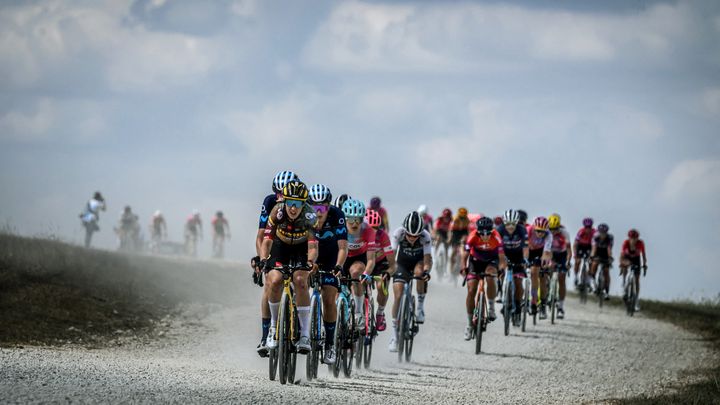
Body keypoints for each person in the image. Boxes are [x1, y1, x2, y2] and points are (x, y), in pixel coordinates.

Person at [260, 180, 318, 354]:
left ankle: (305, 334)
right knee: (275, 280)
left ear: (304, 204)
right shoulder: (277, 212)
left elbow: (313, 246)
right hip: (281, 247)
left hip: (301, 249)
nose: (293, 208)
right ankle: (273, 328)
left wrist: (310, 262)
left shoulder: (310, 215)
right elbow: (267, 240)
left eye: (298, 203)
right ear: (284, 201)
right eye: (290, 202)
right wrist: (263, 259)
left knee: (300, 280)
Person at [253, 170, 298, 357]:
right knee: (270, 285)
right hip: (275, 245)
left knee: (299, 279)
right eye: (278, 193)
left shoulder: (300, 202)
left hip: (297, 245)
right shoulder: (269, 202)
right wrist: (262, 260)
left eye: (284, 193)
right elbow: (261, 236)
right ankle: (266, 335)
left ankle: (298, 325)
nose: (281, 198)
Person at [308, 183, 348, 364]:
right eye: (315, 206)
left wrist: (339, 266)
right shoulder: (306, 216)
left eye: (323, 206)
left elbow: (343, 247)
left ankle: (330, 345)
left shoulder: (337, 216)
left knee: (329, 297)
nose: (319, 211)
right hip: (310, 255)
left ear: (329, 206)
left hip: (332, 258)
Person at [388, 211, 432, 352]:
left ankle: (419, 307)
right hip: (402, 264)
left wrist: (426, 271)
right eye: (410, 235)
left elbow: (427, 259)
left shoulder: (425, 236)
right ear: (404, 231)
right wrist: (389, 271)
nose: (413, 238)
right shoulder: (398, 233)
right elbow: (392, 256)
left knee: (420, 273)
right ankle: (394, 336)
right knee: (398, 295)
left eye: (416, 236)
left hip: (418, 263)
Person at [461, 216, 504, 339]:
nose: (485, 236)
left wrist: (501, 269)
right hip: (476, 261)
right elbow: (465, 255)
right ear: (477, 231)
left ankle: (491, 308)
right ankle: (469, 325)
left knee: (491, 277)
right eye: (482, 233)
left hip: (491, 261)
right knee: (471, 290)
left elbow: (501, 258)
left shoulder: (497, 237)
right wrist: (464, 267)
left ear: (492, 231)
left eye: (487, 233)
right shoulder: (472, 236)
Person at [342, 199, 377, 332]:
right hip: (342, 258)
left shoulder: (368, 231)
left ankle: (358, 313)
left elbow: (371, 260)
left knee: (356, 273)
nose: (355, 223)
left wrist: (366, 274)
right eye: (351, 219)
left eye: (358, 219)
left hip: (358, 259)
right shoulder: (339, 228)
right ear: (345, 219)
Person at [496, 210, 529, 325]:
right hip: (503, 255)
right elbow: (495, 248)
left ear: (517, 223)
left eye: (513, 224)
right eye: (507, 224)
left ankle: (518, 306)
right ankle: (502, 295)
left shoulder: (522, 230)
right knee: (500, 274)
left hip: (518, 257)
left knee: (518, 282)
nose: (510, 227)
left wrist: (525, 260)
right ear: (504, 223)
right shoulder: (499, 230)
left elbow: (525, 248)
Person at [366, 209, 395, 332]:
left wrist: (388, 273)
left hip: (380, 264)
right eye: (370, 228)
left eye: (376, 228)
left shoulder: (383, 236)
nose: (373, 232)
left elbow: (393, 264)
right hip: (366, 262)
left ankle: (380, 313)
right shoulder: (358, 234)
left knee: (381, 286)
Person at [527, 217, 553, 317]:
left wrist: (544, 263)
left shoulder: (549, 235)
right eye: (538, 231)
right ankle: (531, 299)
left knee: (542, 277)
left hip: (541, 252)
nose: (540, 234)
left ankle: (542, 304)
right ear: (534, 228)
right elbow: (523, 247)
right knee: (531, 273)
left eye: (543, 231)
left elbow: (546, 252)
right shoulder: (528, 230)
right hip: (529, 251)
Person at [548, 214, 572, 319]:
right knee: (547, 270)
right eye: (551, 229)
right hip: (550, 253)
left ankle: (561, 307)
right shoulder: (546, 232)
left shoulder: (564, 233)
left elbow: (569, 250)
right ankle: (547, 290)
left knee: (562, 278)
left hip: (562, 255)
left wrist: (568, 261)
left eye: (555, 229)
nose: (553, 231)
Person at [620, 229, 647, 311]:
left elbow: (643, 255)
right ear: (629, 238)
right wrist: (622, 264)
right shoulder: (625, 243)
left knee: (637, 279)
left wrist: (644, 265)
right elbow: (621, 256)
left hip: (636, 259)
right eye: (631, 238)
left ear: (637, 238)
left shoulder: (640, 243)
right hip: (627, 258)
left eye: (635, 238)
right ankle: (624, 283)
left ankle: (636, 298)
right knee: (625, 267)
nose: (633, 240)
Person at [589, 223, 614, 300]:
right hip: (597, 251)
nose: (602, 234)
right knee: (594, 263)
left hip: (605, 253)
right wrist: (592, 256)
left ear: (606, 232)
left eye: (604, 233)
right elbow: (594, 248)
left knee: (606, 271)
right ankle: (592, 281)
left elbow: (609, 249)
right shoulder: (595, 236)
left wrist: (610, 258)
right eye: (601, 232)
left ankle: (607, 291)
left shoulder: (610, 237)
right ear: (598, 232)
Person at [573, 218, 596, 287]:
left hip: (589, 247)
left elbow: (594, 246)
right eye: (586, 227)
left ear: (591, 227)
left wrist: (592, 256)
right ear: (584, 227)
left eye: (589, 227)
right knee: (578, 261)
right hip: (581, 246)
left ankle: (588, 280)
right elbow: (575, 244)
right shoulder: (581, 232)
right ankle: (576, 276)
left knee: (590, 263)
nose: (587, 229)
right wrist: (575, 254)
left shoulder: (594, 232)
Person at [449, 207, 470, 278]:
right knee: (453, 253)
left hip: (463, 233)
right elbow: (451, 231)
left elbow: (467, 232)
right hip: (455, 233)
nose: (462, 219)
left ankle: (463, 269)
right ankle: (451, 270)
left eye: (463, 217)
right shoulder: (455, 219)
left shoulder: (467, 220)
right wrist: (450, 239)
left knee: (462, 252)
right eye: (461, 217)